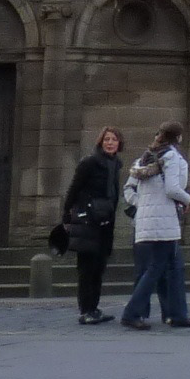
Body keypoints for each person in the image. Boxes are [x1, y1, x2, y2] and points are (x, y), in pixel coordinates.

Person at [119, 122, 190, 330]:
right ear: (178, 137)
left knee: (174, 266)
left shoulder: (144, 158)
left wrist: (142, 204)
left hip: (147, 221)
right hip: (164, 220)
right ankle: (131, 312)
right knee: (156, 269)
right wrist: (189, 200)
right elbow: (172, 189)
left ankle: (177, 314)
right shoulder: (171, 157)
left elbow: (133, 188)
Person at [61, 126, 124, 324]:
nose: (110, 143)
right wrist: (67, 213)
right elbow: (74, 187)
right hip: (88, 220)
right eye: (107, 139)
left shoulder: (116, 164)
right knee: (87, 268)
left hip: (106, 220)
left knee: (99, 267)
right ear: (100, 142)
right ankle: (85, 310)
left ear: (119, 143)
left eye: (114, 139)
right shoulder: (89, 163)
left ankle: (94, 308)